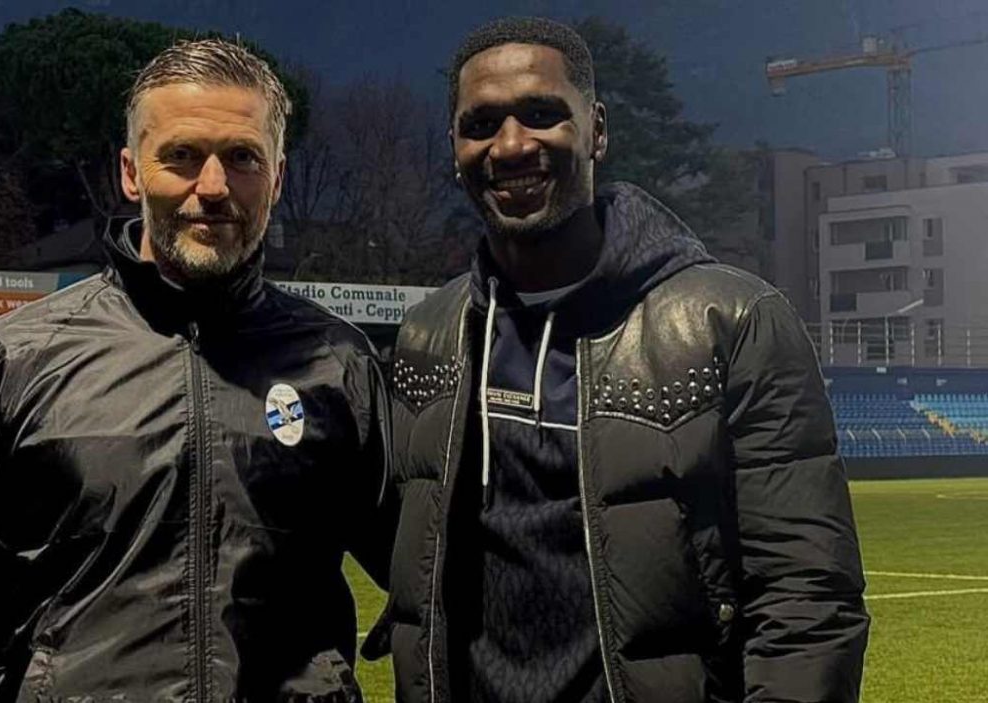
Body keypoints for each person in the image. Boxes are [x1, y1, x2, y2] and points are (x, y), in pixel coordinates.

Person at [365, 16, 869, 703]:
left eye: (542, 115)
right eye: (480, 124)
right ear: (455, 147)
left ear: (596, 128)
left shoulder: (733, 322)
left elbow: (809, 602)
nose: (510, 145)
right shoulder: (428, 337)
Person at [0, 38, 394, 702]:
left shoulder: (340, 364)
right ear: (131, 173)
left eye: (242, 158)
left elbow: (431, 577)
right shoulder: (16, 359)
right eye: (182, 156)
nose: (212, 187)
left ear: (276, 176)